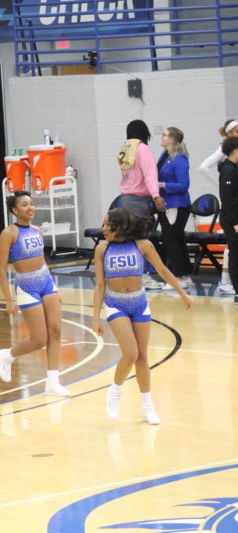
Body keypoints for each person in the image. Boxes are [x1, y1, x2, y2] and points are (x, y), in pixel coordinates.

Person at [93, 208, 193, 424]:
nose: (103, 229)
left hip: (139, 303)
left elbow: (163, 270)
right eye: (103, 225)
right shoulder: (102, 249)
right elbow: (100, 285)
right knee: (130, 354)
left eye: (108, 225)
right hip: (116, 304)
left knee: (142, 357)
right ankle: (115, 392)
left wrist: (183, 294)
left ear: (121, 226)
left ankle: (148, 407)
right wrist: (95, 318)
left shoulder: (143, 245)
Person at [0, 191, 71, 397]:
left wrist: (54, 287)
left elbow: (42, 259)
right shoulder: (9, 233)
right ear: (14, 210)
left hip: (46, 281)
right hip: (27, 285)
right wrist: (9, 299)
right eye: (25, 204)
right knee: (39, 339)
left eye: (32, 204)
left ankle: (52, 382)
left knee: (56, 331)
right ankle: (8, 355)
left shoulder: (37, 230)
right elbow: (1, 268)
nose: (30, 208)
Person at [118, 119, 165, 290]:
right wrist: (156, 196)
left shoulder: (125, 148)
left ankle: (130, 276)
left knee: (129, 240)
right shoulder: (142, 149)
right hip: (138, 200)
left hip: (125, 199)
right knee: (141, 239)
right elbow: (150, 174)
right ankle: (143, 277)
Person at [198, 119, 238, 295]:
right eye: (236, 131)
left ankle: (228, 281)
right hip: (231, 211)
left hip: (233, 207)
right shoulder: (225, 154)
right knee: (233, 250)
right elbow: (203, 167)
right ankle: (228, 282)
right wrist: (219, 185)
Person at [156, 127, 193, 290]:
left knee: (172, 241)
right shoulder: (165, 155)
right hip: (166, 204)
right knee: (177, 240)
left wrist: (163, 185)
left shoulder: (180, 158)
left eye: (164, 135)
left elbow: (184, 185)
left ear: (172, 139)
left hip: (176, 204)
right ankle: (185, 275)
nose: (162, 137)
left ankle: (178, 277)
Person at [219, 136, 238, 304]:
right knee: (235, 254)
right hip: (232, 219)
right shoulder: (227, 170)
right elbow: (227, 200)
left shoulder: (234, 169)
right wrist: (234, 223)